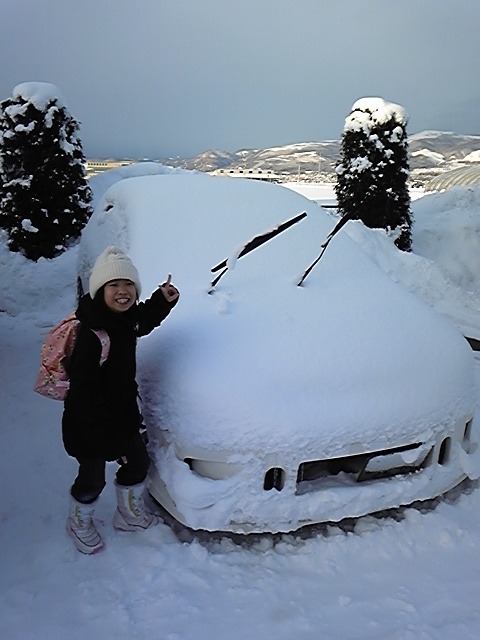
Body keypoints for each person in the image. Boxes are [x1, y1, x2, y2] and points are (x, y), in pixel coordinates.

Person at [62, 246, 179, 554]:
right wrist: (104, 434)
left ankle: (128, 516)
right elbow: (83, 392)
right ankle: (78, 521)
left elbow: (143, 321)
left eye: (129, 284)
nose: (123, 291)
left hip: (122, 413)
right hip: (89, 421)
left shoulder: (125, 320)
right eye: (113, 285)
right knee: (92, 479)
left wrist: (161, 301)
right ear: (100, 290)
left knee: (138, 464)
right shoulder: (92, 334)